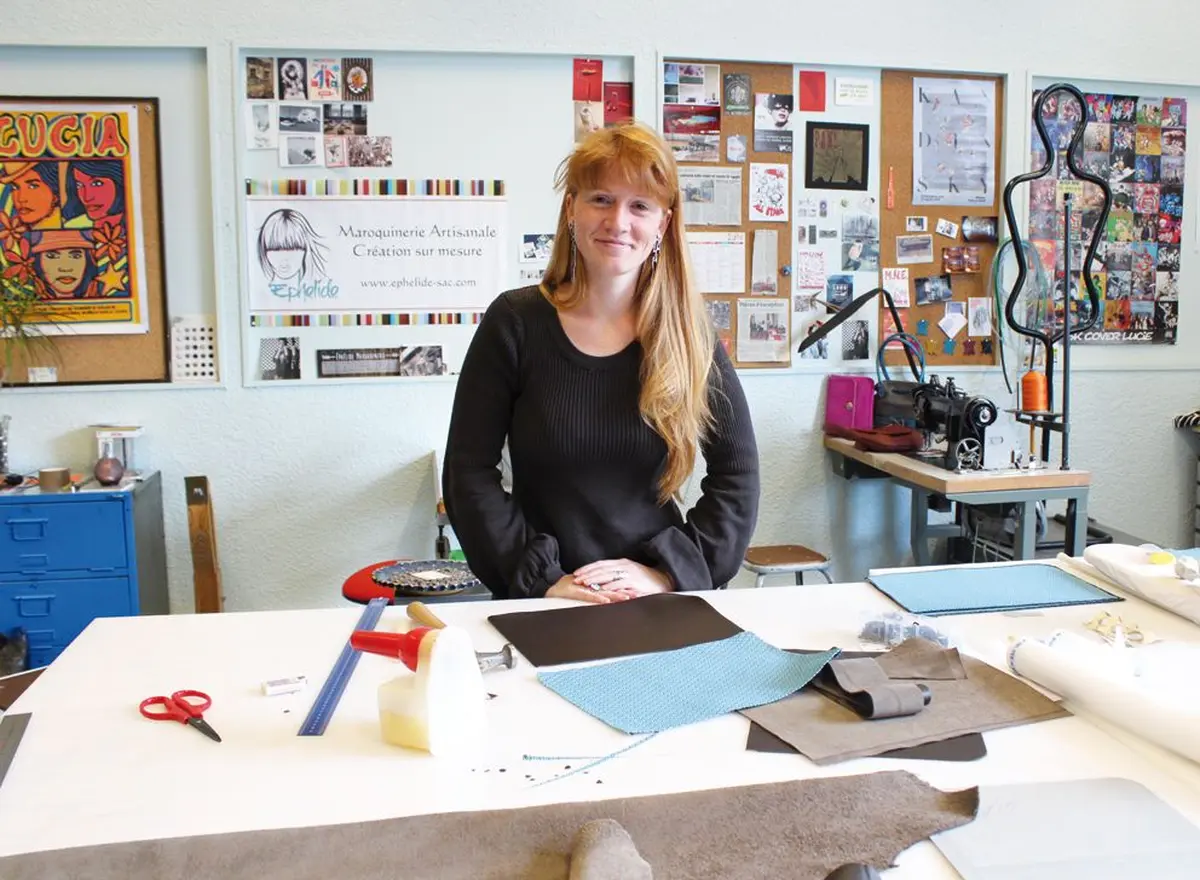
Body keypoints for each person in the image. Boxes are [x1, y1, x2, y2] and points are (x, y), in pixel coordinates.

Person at [442, 122, 759, 603]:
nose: (618, 222)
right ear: (571, 208)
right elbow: (468, 472)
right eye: (601, 199)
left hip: (653, 602)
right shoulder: (514, 324)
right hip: (546, 602)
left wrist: (668, 573)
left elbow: (738, 475)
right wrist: (543, 580)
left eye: (640, 206)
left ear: (663, 224)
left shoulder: (686, 334)